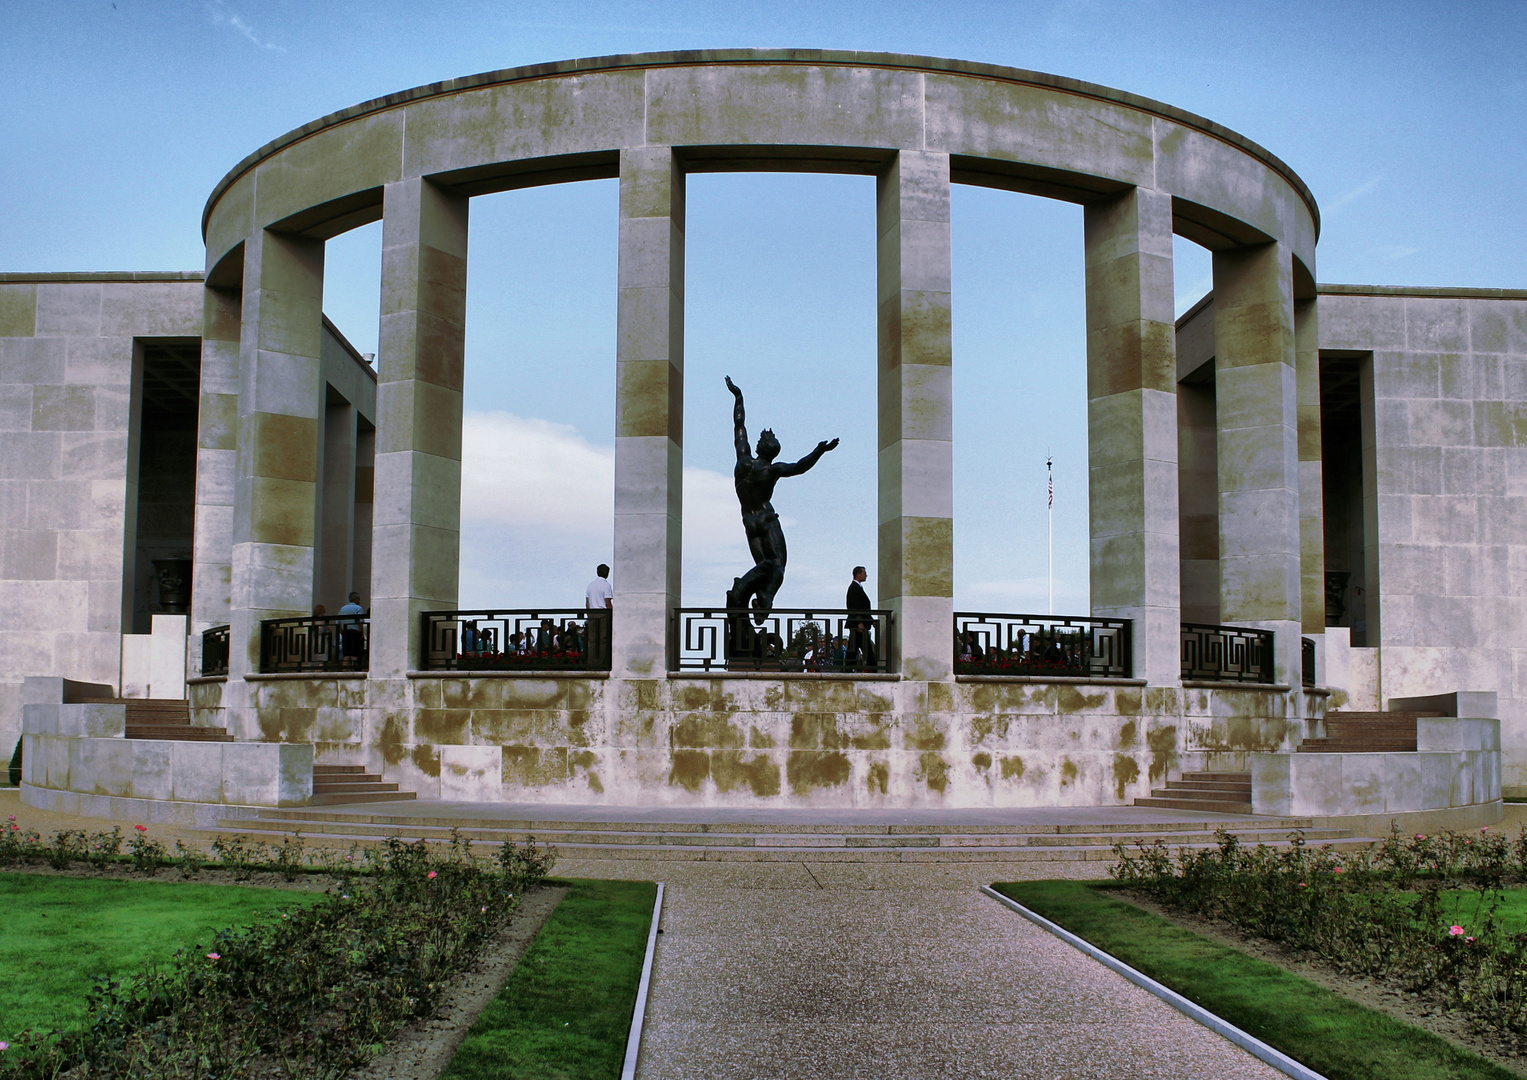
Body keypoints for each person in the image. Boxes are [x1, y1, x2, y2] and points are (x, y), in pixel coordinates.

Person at [723, 376, 838, 621]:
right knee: (777, 564)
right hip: (766, 518)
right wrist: (820, 450)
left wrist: (739, 397)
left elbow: (739, 427)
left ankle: (748, 593)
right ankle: (762, 596)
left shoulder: (743, 461)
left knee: (764, 566)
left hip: (748, 521)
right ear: (773, 453)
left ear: (759, 447)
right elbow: (800, 467)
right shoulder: (771, 470)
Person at [845, 565, 876, 671]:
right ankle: (873, 669)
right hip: (858, 625)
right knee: (864, 649)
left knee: (854, 649)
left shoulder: (856, 587)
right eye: (864, 573)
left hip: (859, 624)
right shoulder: (854, 588)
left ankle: (848, 670)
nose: (866, 575)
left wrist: (871, 621)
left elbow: (863, 608)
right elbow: (854, 607)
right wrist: (859, 622)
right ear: (858, 574)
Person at [585, 563, 613, 666]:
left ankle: (591, 663)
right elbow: (608, 603)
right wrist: (611, 615)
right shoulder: (606, 585)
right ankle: (601, 663)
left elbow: (587, 603)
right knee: (602, 640)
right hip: (603, 614)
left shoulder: (590, 585)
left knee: (592, 640)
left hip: (592, 614)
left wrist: (589, 615)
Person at [337, 592, 366, 668]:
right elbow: (360, 622)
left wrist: (342, 632)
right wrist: (362, 633)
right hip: (355, 633)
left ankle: (344, 671)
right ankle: (353, 670)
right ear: (356, 599)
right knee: (354, 654)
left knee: (346, 654)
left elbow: (338, 622)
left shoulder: (342, 608)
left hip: (345, 633)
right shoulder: (358, 608)